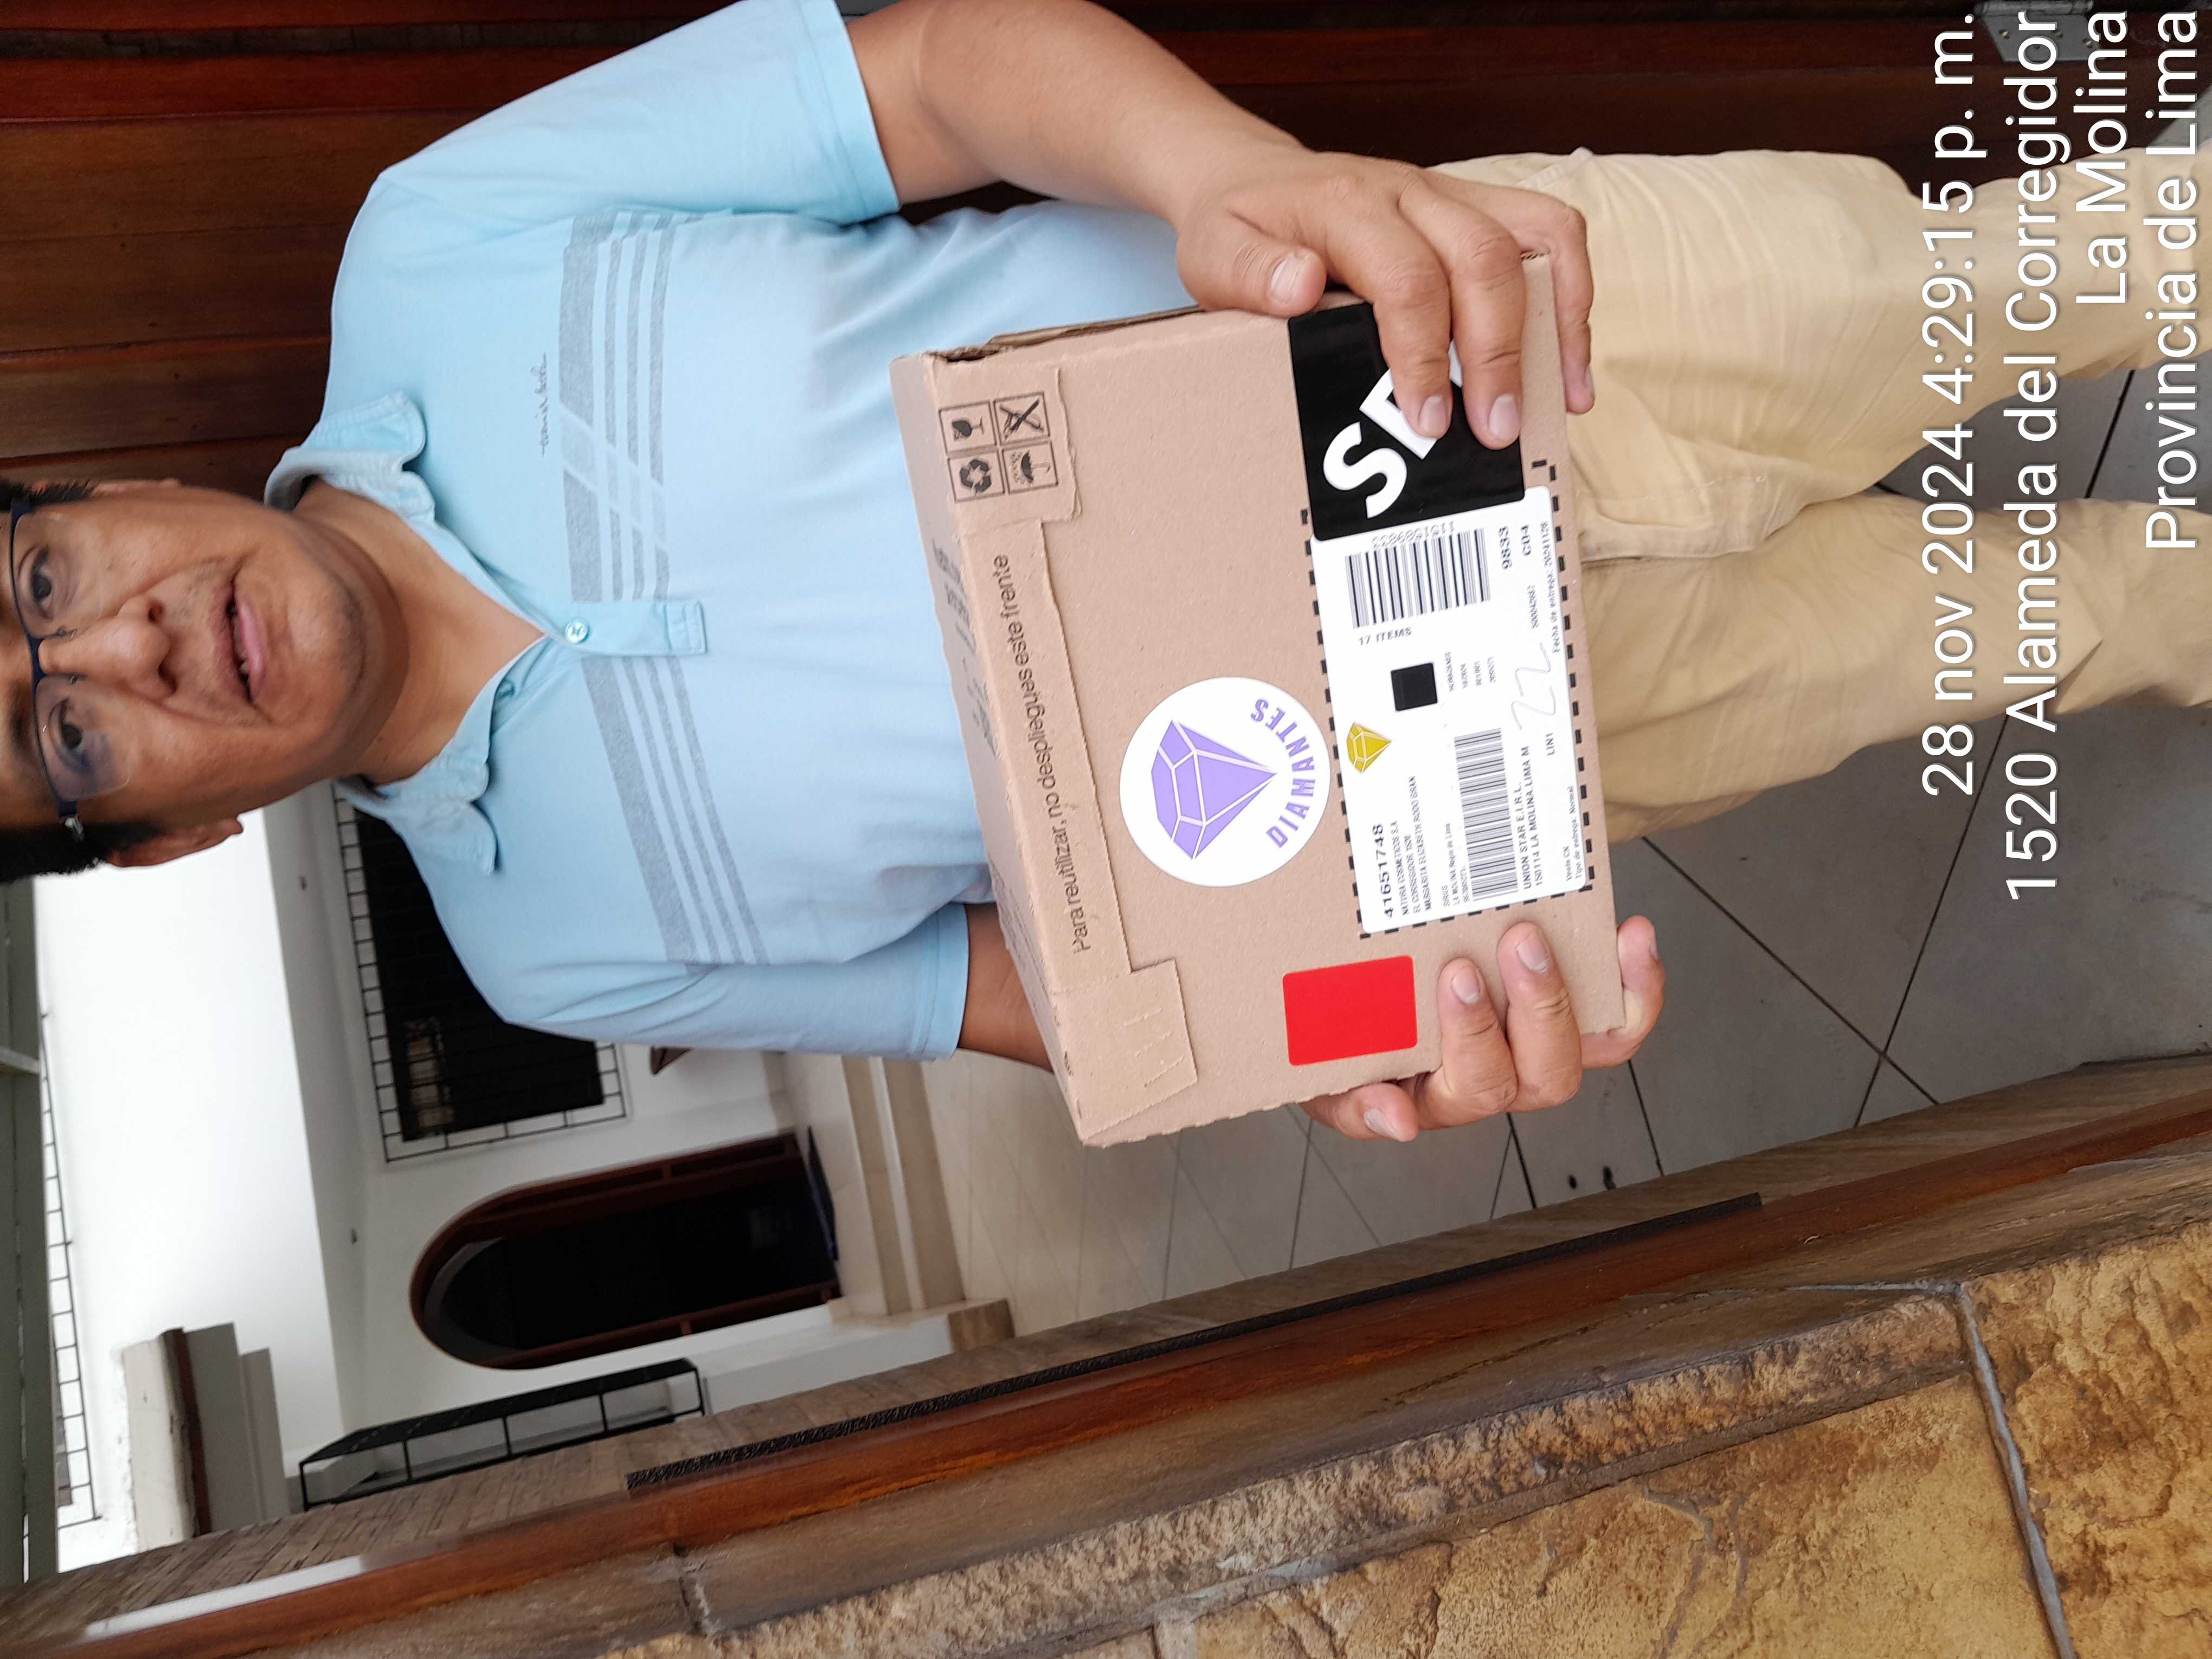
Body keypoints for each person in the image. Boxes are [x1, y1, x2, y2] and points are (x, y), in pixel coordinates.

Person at [4, 0, 2198, 1144]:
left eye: (40, 587)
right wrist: (1381, 1035)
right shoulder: (548, 951)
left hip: (1453, 335)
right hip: (1494, 756)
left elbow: (942, 77)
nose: (128, 641)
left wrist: (1234, 172)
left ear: (90, 491)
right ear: (162, 836)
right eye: (68, 730)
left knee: (2070, 266)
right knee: (2072, 623)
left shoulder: (437, 245)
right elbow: (1051, 1004)